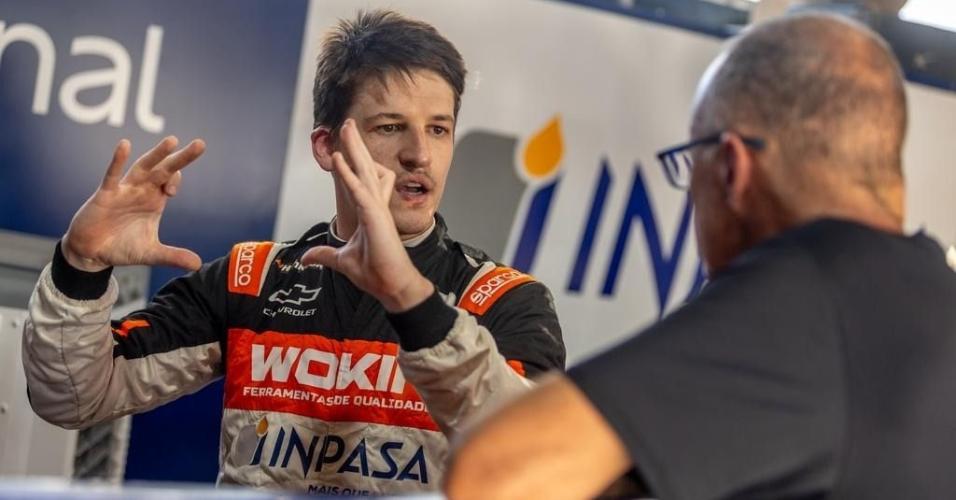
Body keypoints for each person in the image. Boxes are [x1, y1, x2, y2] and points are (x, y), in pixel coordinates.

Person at [22, 10, 565, 495]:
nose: (419, 154)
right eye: (390, 127)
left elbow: (536, 456)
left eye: (439, 130)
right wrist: (82, 266)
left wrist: (410, 299)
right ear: (327, 147)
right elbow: (72, 397)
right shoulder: (252, 279)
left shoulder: (504, 300)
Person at [444, 13, 956, 500]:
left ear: (731, 168)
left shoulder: (809, 299)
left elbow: (492, 472)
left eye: (693, 163)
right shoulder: (928, 302)